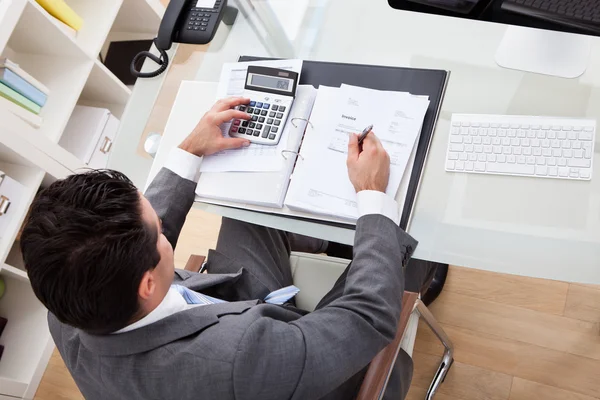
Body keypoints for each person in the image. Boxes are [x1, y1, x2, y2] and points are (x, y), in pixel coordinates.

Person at [22, 97, 437, 400]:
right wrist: (370, 195)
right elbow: (368, 316)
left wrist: (189, 151)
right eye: (160, 235)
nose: (165, 228)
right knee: (402, 230)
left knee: (246, 203)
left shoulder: (66, 306)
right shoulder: (236, 361)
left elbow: (130, 235)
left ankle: (333, 235)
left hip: (222, 312)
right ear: (147, 284)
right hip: (292, 371)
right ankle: (409, 263)